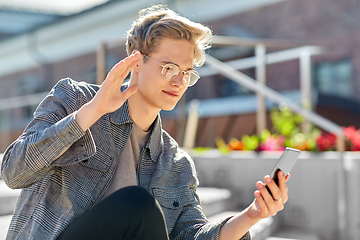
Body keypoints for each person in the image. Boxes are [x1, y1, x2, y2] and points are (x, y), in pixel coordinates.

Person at [1, 5, 290, 240]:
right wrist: (93, 111)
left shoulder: (174, 162)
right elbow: (13, 172)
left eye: (187, 72)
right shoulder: (76, 100)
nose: (179, 81)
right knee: (136, 205)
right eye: (169, 68)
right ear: (136, 61)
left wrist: (253, 214)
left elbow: (192, 235)